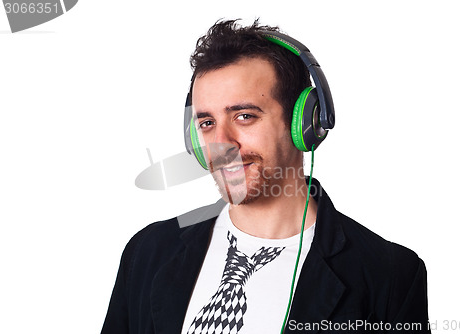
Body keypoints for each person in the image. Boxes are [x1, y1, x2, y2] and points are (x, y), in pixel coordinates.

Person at [101, 20, 430, 334]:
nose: (221, 145)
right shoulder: (149, 250)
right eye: (206, 123)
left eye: (244, 116)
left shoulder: (389, 275)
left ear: (304, 123)